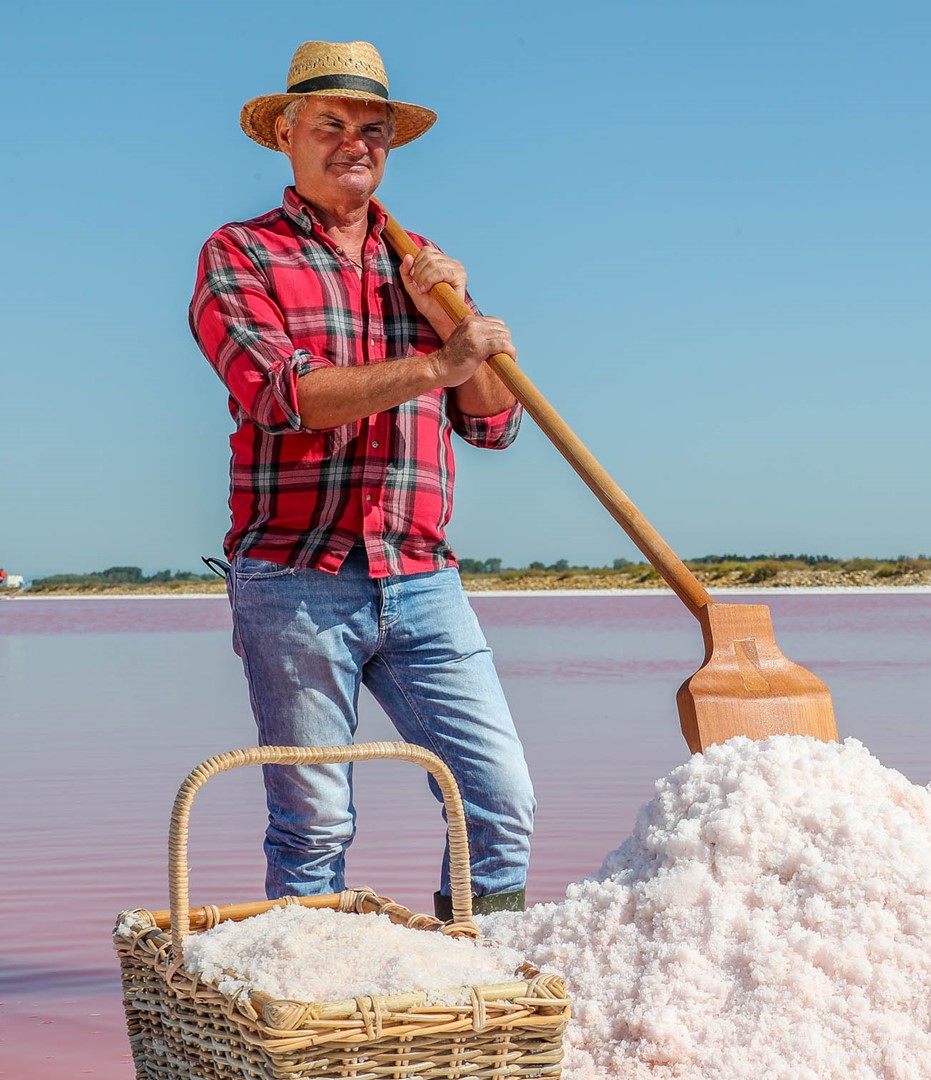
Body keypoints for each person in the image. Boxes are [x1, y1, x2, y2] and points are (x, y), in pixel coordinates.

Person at [189, 40, 534, 918]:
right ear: (285, 134)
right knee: (314, 821)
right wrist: (435, 363)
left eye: (373, 130)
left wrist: (461, 327)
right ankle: (317, 1015)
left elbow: (492, 422)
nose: (356, 144)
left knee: (500, 799)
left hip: (423, 575)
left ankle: (479, 985)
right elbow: (284, 395)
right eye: (333, 125)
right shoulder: (241, 255)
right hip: (296, 579)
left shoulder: (424, 265)